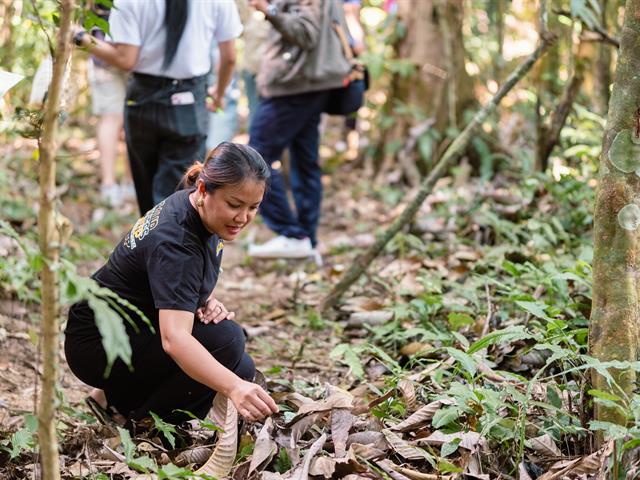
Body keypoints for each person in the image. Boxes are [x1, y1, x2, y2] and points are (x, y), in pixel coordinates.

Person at [64, 143, 279, 426]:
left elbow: (178, 279)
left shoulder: (201, 213)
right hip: (97, 343)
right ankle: (143, 422)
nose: (243, 218)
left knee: (242, 365)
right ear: (203, 190)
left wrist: (204, 301)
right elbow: (174, 340)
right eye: (234, 205)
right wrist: (234, 388)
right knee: (227, 342)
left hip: (133, 325)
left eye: (253, 207)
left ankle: (113, 399)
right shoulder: (176, 242)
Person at [72, 0, 243, 215]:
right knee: (180, 198)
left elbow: (126, 59)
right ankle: (170, 242)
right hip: (188, 100)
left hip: (143, 100)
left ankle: (152, 239)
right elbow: (229, 58)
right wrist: (218, 93)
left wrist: (79, 37)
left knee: (147, 194)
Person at [247, 0, 353, 261]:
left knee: (254, 158)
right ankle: (306, 239)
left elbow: (306, 33)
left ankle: (292, 234)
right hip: (310, 84)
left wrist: (267, 9)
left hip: (292, 86)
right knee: (305, 162)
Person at [86, 2, 132, 207]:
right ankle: (124, 184)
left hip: (105, 48)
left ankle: (112, 185)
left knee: (113, 118)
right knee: (128, 116)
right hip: (130, 49)